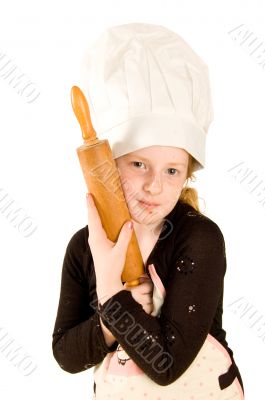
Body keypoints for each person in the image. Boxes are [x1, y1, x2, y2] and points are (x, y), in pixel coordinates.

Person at [52, 23, 245, 399]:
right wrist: (110, 324)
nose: (154, 186)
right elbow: (65, 353)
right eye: (138, 165)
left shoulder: (199, 239)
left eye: (172, 171)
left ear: (187, 175)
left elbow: (167, 364)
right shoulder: (84, 246)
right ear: (109, 164)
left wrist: (113, 293)